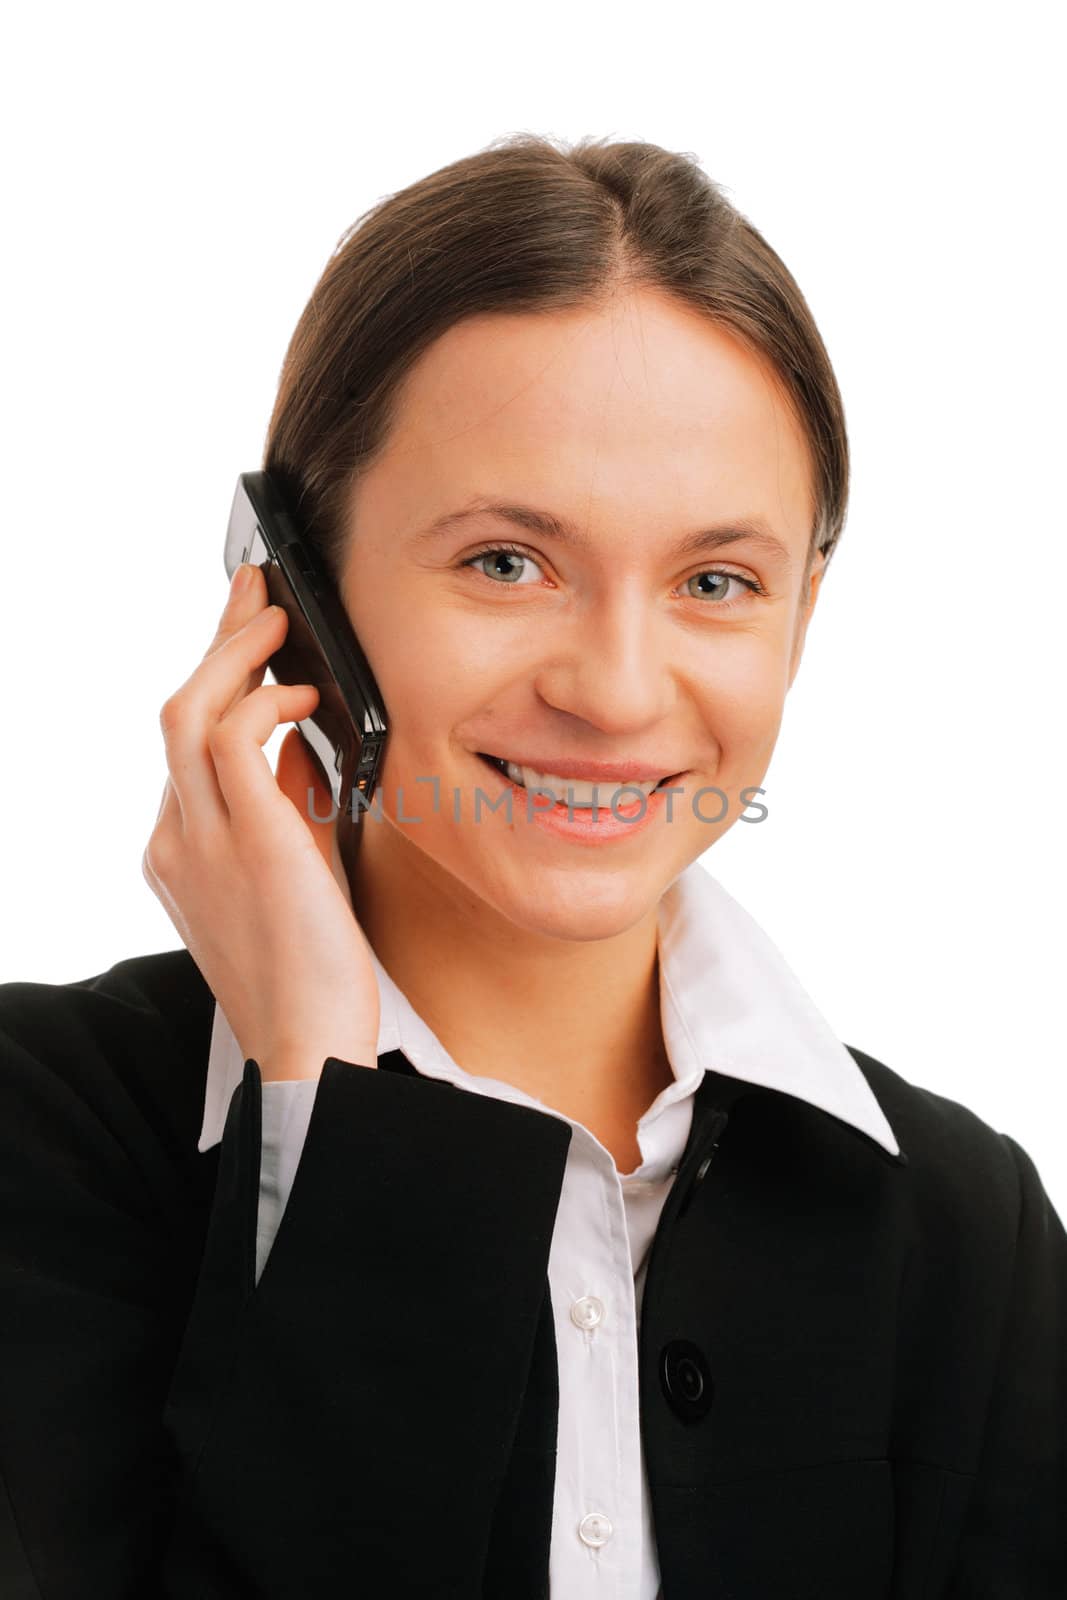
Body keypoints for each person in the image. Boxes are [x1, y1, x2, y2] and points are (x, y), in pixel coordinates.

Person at [1, 133, 1063, 1600]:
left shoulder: (965, 1232)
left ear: (802, 619)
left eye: (715, 582)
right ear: (290, 597)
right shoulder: (38, 1136)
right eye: (508, 561)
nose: (619, 693)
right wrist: (327, 1101)